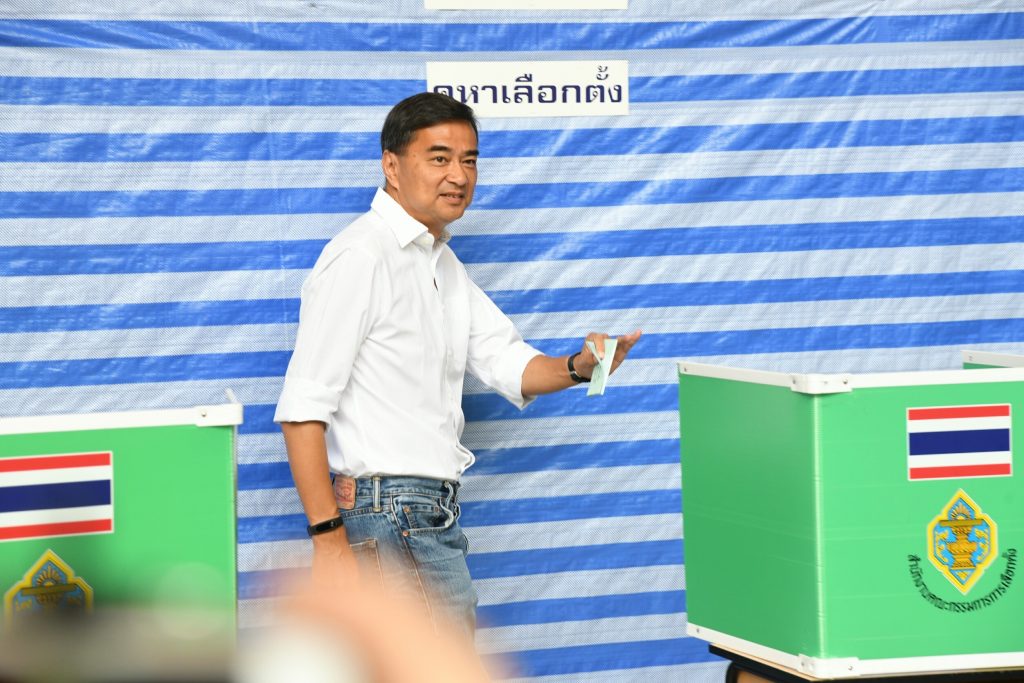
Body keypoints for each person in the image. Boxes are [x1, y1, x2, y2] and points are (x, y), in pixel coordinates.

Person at [274, 92, 641, 641]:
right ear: (391, 166)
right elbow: (302, 411)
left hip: (422, 514)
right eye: (439, 158)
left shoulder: (440, 261)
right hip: (388, 512)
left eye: (469, 160)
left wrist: (583, 365)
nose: (459, 175)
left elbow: (512, 365)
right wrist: (327, 541)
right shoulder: (361, 256)